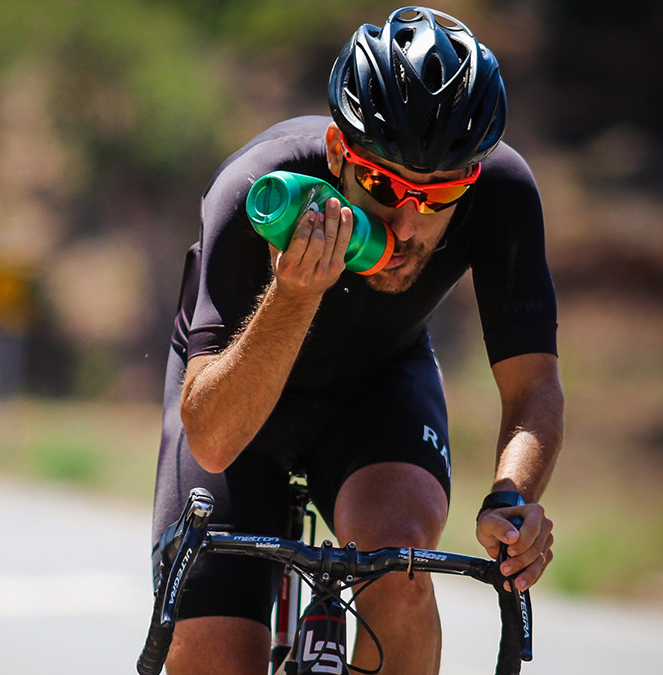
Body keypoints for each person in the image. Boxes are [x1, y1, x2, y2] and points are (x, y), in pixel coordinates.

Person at [151, 7, 562, 674]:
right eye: (382, 185)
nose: (406, 225)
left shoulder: (504, 192)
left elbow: (534, 385)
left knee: (397, 567)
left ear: (474, 176)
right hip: (232, 404)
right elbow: (214, 438)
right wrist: (292, 295)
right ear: (340, 153)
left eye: (439, 196)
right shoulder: (252, 186)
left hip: (376, 393)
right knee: (212, 657)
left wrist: (513, 499)